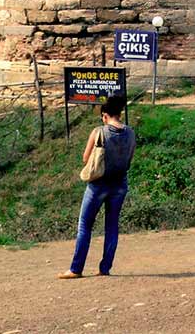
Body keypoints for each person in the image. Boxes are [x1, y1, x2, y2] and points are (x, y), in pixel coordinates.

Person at [59, 92, 136, 279]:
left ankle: (76, 269)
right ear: (120, 113)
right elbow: (130, 158)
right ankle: (105, 267)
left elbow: (86, 158)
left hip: (98, 184)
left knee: (85, 225)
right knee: (112, 226)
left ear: (104, 115)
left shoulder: (99, 132)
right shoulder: (130, 133)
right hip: (120, 183)